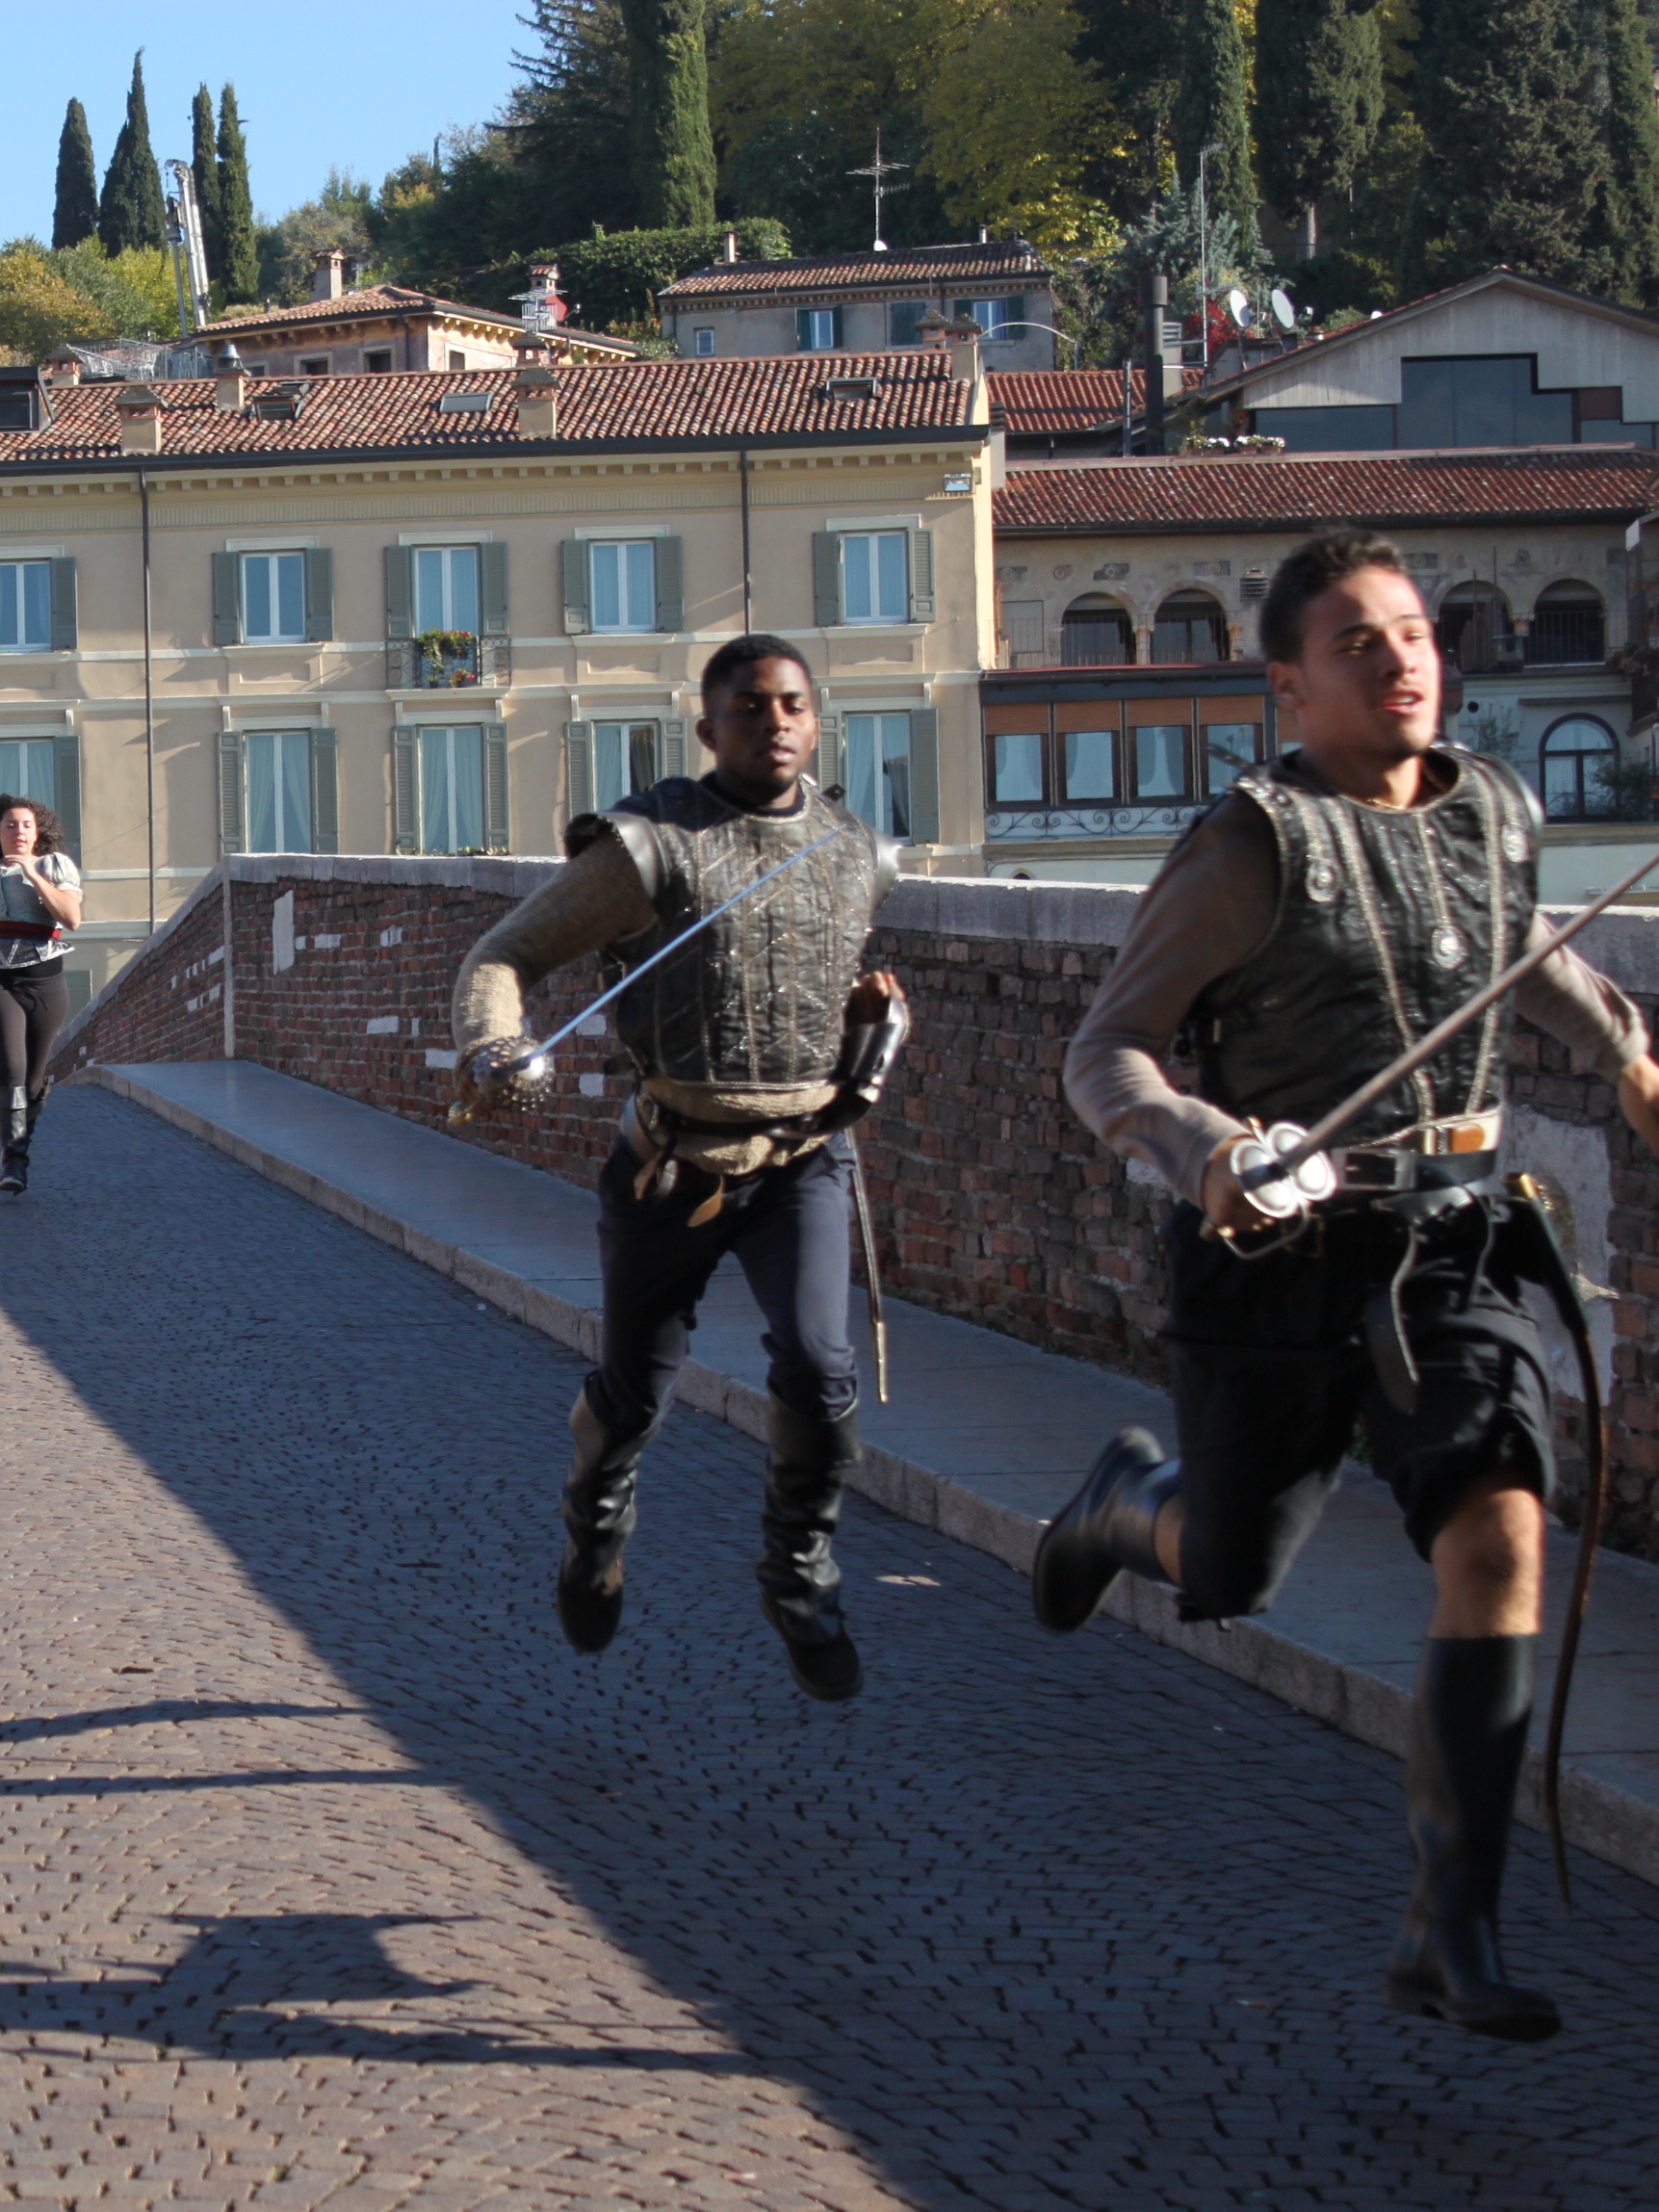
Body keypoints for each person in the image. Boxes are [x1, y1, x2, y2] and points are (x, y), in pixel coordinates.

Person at [1038, 527, 1659, 2042]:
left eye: (1416, 634)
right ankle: (1125, 1504)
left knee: (1500, 1525)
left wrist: (1631, 1063)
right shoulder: (1251, 844)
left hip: (1455, 1242)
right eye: (1358, 644)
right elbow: (1107, 1050)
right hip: (1276, 1260)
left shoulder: (1494, 809)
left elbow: (1523, 955)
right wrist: (1203, 1150)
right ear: (1290, 687)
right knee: (1230, 1568)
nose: (1400, 663)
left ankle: (1453, 1922)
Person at [449, 634, 907, 1703]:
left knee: (822, 1368)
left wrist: (869, 1021)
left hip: (803, 1158)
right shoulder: (650, 847)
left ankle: (801, 1575)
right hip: (673, 1165)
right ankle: (594, 1527)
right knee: (636, 1390)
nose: (776, 723)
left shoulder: (857, 851)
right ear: (708, 728)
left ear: (817, 720)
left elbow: (805, 982)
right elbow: (503, 955)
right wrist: (494, 1043)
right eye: (750, 707)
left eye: (793, 705)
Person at [0, 794, 85, 1193]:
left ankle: (21, 1145)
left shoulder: (54, 865)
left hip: (45, 980)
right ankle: (13, 1160)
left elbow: (72, 918)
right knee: (10, 1066)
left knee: (33, 1079)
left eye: (27, 825)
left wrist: (32, 873)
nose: (19, 832)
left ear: (38, 831)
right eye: (10, 825)